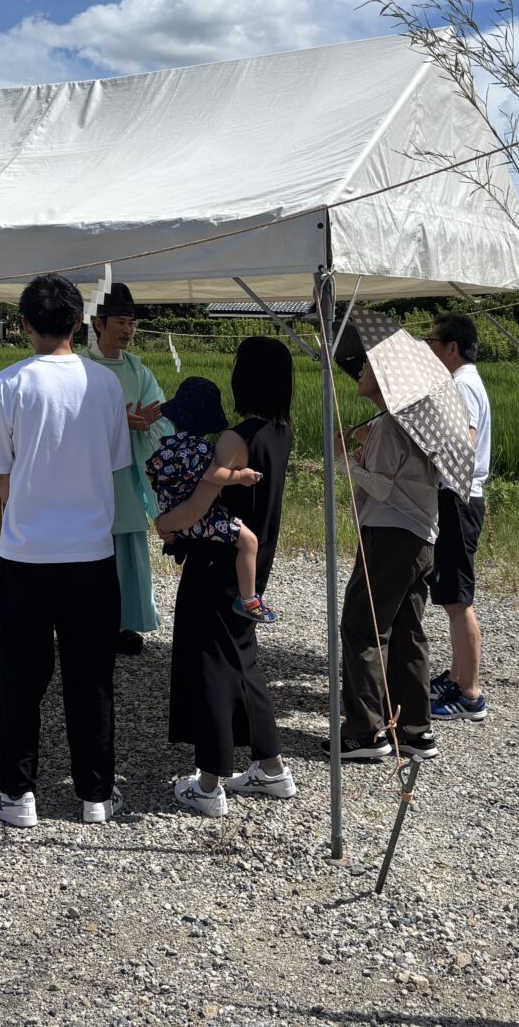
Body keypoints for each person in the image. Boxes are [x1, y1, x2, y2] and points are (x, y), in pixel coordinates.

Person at [0, 273, 131, 828]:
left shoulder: (7, 384)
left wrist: (30, 511)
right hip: (91, 554)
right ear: (81, 323)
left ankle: (18, 795)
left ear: (25, 326)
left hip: (27, 555)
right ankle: (96, 795)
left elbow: (0, 476)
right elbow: (113, 463)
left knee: (21, 676)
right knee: (92, 678)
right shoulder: (105, 384)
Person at [157, 336, 298, 817]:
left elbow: (198, 504)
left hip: (216, 563)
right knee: (243, 660)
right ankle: (272, 767)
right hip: (251, 567)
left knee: (212, 665)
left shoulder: (236, 439)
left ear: (248, 376)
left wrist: (162, 523)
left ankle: (209, 780)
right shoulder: (280, 431)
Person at [325, 325, 441, 762]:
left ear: (387, 376)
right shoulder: (410, 424)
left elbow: (384, 489)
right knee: (408, 631)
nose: (359, 372)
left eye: (368, 366)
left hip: (390, 535)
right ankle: (415, 730)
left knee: (361, 625)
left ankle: (366, 731)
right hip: (418, 537)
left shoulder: (393, 426)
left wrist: (343, 461)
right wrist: (360, 455)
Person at [83, 282, 175, 655]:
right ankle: (89, 621)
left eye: (131, 323)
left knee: (128, 552)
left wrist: (147, 421)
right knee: (92, 550)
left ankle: (125, 623)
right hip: (91, 474)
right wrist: (119, 421)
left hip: (129, 473)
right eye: (121, 321)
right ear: (99, 324)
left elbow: (161, 416)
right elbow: (74, 420)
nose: (128, 330)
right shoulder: (81, 367)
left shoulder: (139, 370)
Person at [146, 378, 272, 624]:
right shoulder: (200, 449)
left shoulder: (169, 447)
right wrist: (240, 477)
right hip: (201, 517)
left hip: (173, 509)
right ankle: (249, 599)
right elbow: (212, 474)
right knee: (249, 541)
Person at [425, 314, 491, 722]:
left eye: (433, 341)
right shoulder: (467, 381)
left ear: (451, 347)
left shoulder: (462, 385)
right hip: (459, 497)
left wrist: (428, 446)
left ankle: (470, 692)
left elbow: (462, 442)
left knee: (457, 599)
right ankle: (455, 674)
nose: (429, 348)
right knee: (453, 595)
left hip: (457, 497)